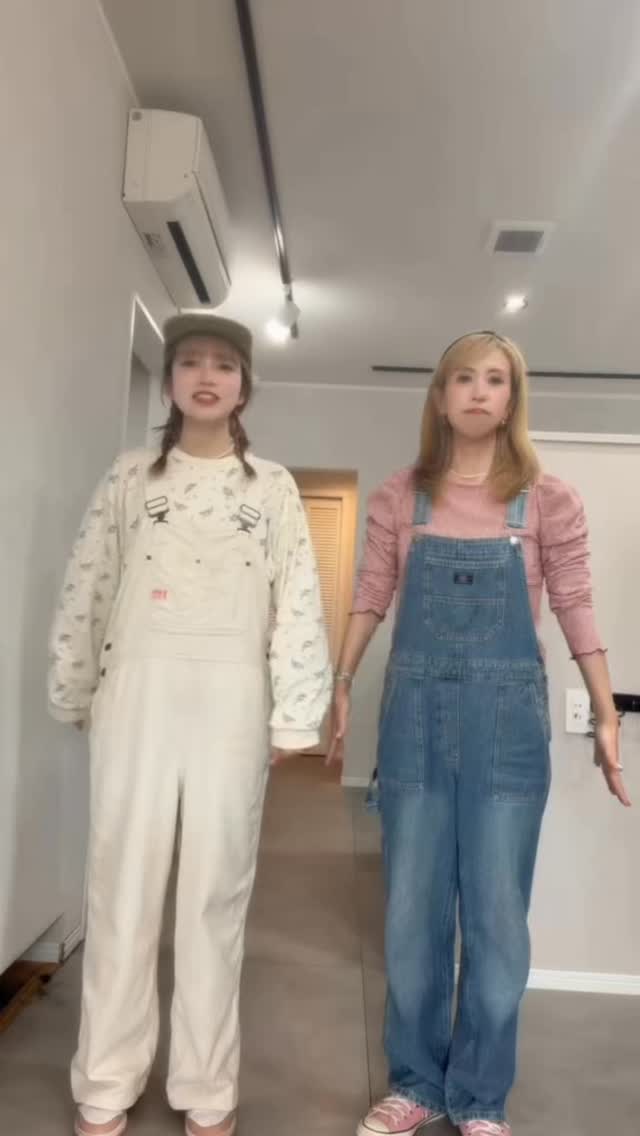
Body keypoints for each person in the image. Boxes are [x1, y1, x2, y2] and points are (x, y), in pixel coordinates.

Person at [328, 331, 630, 1136]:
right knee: (411, 915)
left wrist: (606, 714)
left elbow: (576, 605)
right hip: (414, 725)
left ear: (511, 399)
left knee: (497, 917)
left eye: (494, 380)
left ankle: (480, 1098)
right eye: (462, 378)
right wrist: (342, 680)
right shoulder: (401, 496)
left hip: (508, 733)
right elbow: (372, 591)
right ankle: (416, 1086)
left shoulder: (548, 500)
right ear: (439, 396)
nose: (477, 392)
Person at [48, 313, 332, 1136]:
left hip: (230, 701)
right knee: (122, 888)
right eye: (191, 363)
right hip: (137, 693)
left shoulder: (271, 487)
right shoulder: (130, 478)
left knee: (215, 895)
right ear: (170, 380)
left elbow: (298, 596)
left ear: (245, 386)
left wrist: (293, 714)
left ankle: (207, 1083)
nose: (207, 377)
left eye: (225, 365)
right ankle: (107, 1078)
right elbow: (89, 582)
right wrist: (74, 686)